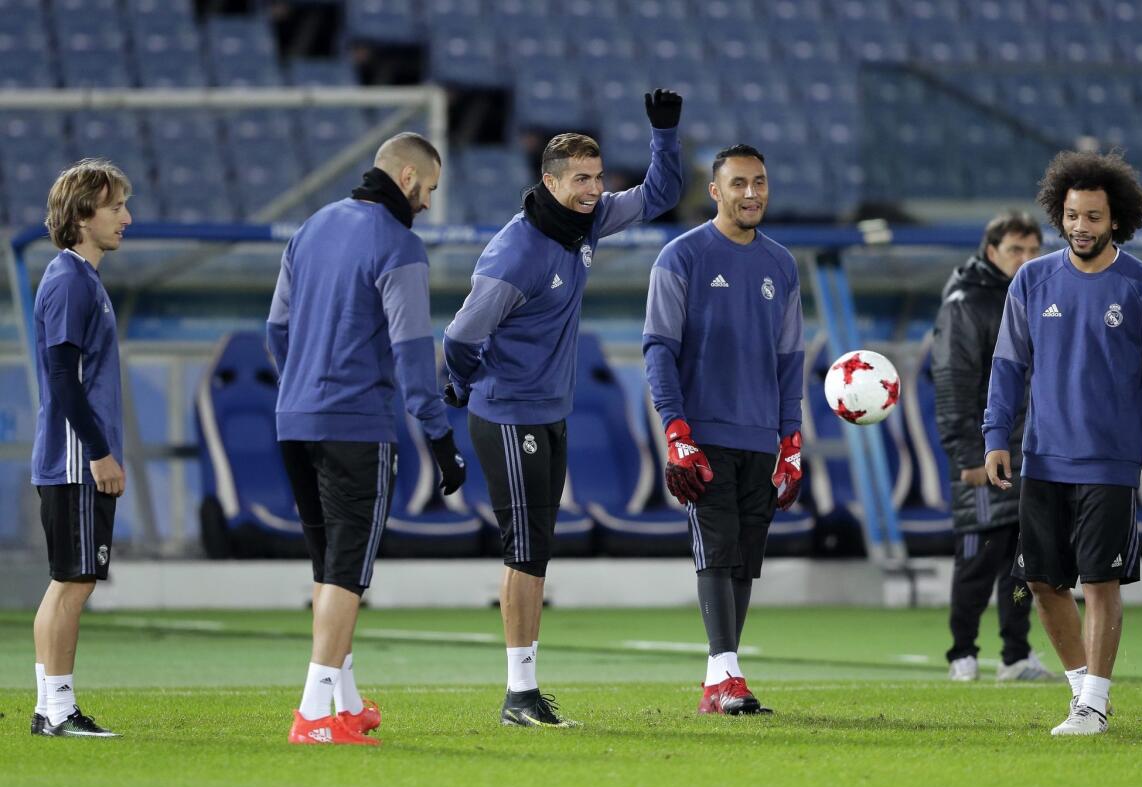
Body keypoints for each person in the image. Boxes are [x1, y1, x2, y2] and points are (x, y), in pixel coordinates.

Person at [442, 89, 684, 727]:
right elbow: (462, 336)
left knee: (538, 547)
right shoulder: (515, 252)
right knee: (524, 549)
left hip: (550, 412)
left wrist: (664, 133)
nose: (593, 189)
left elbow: (660, 197)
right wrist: (463, 383)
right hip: (509, 414)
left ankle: (524, 691)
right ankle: (518, 696)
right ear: (548, 181)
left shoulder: (589, 221)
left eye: (598, 178)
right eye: (580, 179)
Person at [267, 132, 466, 745]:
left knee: (329, 569)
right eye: (429, 189)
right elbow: (412, 356)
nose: (429, 203)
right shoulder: (399, 245)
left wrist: (305, 385)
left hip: (295, 420)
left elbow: (277, 330)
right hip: (356, 426)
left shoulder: (312, 227)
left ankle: (344, 701)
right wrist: (440, 440)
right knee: (346, 576)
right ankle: (312, 715)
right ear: (407, 178)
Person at [984, 151, 1142, 736]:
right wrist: (996, 435)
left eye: (1093, 217)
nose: (1080, 227)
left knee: (1099, 581)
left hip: (1111, 460)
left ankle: (1093, 705)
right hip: (1043, 457)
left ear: (1114, 220)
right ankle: (1084, 694)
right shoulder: (1031, 278)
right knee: (1043, 583)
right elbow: (1006, 367)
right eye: (1072, 216)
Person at [643, 144, 803, 715]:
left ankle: (722, 679)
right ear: (715, 191)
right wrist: (676, 430)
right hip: (704, 432)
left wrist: (792, 440)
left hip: (762, 436)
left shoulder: (782, 264)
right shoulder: (680, 256)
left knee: (743, 559)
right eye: (738, 183)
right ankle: (724, 673)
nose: (751, 193)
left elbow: (789, 359)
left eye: (759, 182)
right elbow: (658, 347)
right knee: (715, 550)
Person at [29, 159, 131, 738]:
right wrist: (99, 452)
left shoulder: (79, 277)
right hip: (74, 458)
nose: (126, 217)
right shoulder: (69, 279)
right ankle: (58, 709)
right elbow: (63, 378)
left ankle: (51, 706)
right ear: (82, 213)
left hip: (69, 456)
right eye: (115, 206)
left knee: (67, 581)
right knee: (75, 582)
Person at [931, 211, 1056, 683]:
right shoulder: (965, 304)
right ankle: (962, 653)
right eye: (1015, 251)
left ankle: (1016, 655)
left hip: (1033, 454)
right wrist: (967, 456)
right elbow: (952, 383)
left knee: (1023, 564)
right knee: (978, 560)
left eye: (1032, 250)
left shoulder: (1035, 296)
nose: (1026, 259)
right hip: (986, 455)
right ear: (991, 253)